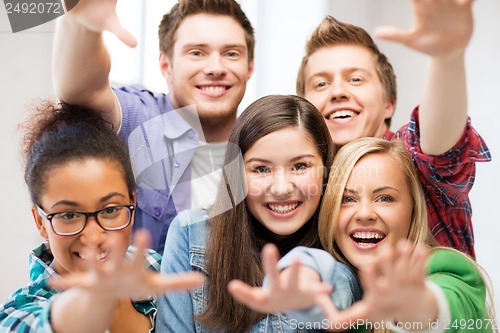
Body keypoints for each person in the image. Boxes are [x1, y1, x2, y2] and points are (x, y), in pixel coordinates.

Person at [229, 138, 494, 333]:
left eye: (384, 198)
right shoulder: (340, 282)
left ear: (413, 208)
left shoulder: (448, 269)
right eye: (348, 199)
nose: (365, 213)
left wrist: (417, 308)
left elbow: (450, 303)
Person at [52, 0, 255, 254]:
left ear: (250, 67)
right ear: (166, 67)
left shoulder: (261, 144)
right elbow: (83, 90)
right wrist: (80, 25)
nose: (216, 68)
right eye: (196, 52)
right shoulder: (144, 120)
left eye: (231, 53)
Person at [296, 0, 491, 258]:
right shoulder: (303, 179)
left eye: (356, 79)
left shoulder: (410, 157)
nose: (338, 92)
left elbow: (439, 148)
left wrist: (447, 58)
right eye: (321, 84)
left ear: (388, 104)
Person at [155, 95, 362, 332]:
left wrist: (312, 274)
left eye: (300, 166)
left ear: (326, 170)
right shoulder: (190, 234)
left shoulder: (343, 249)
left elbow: (341, 285)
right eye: (261, 169)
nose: (282, 188)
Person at [0, 101, 202, 333]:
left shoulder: (154, 265)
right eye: (69, 215)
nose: (94, 236)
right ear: (40, 222)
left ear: (132, 205)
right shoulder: (17, 315)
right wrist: (88, 305)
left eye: (109, 210)